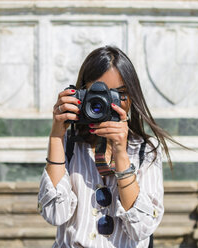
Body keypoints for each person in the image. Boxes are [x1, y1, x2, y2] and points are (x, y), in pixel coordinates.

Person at [37, 46, 179, 247]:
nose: (103, 103)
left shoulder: (146, 150)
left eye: (119, 93)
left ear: (132, 97)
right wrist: (56, 135)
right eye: (97, 94)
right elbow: (54, 214)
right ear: (81, 95)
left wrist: (121, 154)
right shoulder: (68, 144)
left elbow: (142, 228)